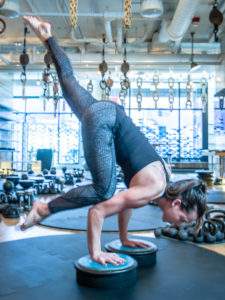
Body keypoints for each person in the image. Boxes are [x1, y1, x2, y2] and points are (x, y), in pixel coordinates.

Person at [20, 16, 207, 266]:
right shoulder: (153, 189)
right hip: (105, 121)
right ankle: (43, 208)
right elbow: (98, 211)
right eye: (182, 219)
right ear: (176, 203)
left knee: (67, 81)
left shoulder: (162, 179)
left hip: (107, 113)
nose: (178, 224)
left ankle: (47, 35)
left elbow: (128, 201)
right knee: (103, 191)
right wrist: (96, 252)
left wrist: (124, 237)